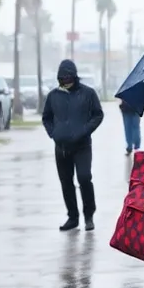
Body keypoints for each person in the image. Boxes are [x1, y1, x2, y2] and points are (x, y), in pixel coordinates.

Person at [42, 59, 105, 231]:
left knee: (84, 178)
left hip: (82, 145)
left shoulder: (88, 93)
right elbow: (46, 117)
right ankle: (73, 216)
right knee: (66, 182)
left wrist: (85, 130)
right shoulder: (53, 96)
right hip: (61, 147)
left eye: (69, 77)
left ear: (75, 77)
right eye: (63, 78)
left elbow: (98, 115)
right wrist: (53, 133)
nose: (66, 81)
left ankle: (89, 215)